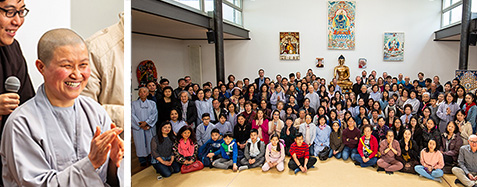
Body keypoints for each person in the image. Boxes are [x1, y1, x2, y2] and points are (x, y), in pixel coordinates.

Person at [1, 29, 124, 186]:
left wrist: (114, 161)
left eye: (83, 65)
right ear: (41, 67)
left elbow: (107, 178)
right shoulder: (21, 124)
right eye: (67, 66)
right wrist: (90, 163)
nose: (77, 74)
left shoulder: (96, 112)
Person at [132, 87, 158, 166]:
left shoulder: (152, 103)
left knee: (150, 142)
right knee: (140, 143)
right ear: (138, 94)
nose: (142, 93)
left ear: (147, 93)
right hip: (138, 128)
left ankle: (151, 158)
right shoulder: (133, 104)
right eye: (140, 92)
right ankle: (142, 160)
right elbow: (131, 115)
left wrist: (147, 123)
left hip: (149, 127)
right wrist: (140, 124)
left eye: (144, 92)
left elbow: (154, 114)